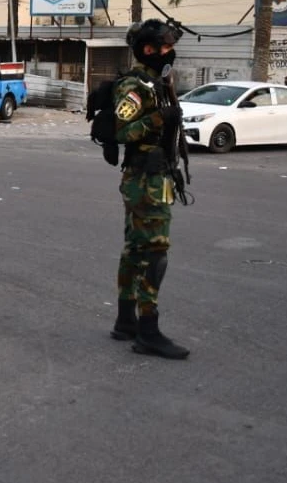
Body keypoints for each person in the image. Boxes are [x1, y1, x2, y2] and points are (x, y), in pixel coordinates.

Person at [110, 19, 189, 360]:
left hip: (153, 175)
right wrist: (160, 119)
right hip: (146, 180)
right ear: (146, 50)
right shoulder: (135, 85)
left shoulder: (157, 82)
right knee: (154, 253)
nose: (168, 52)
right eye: (162, 47)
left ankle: (125, 321)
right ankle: (148, 330)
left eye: (170, 46)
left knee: (133, 249)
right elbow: (122, 132)